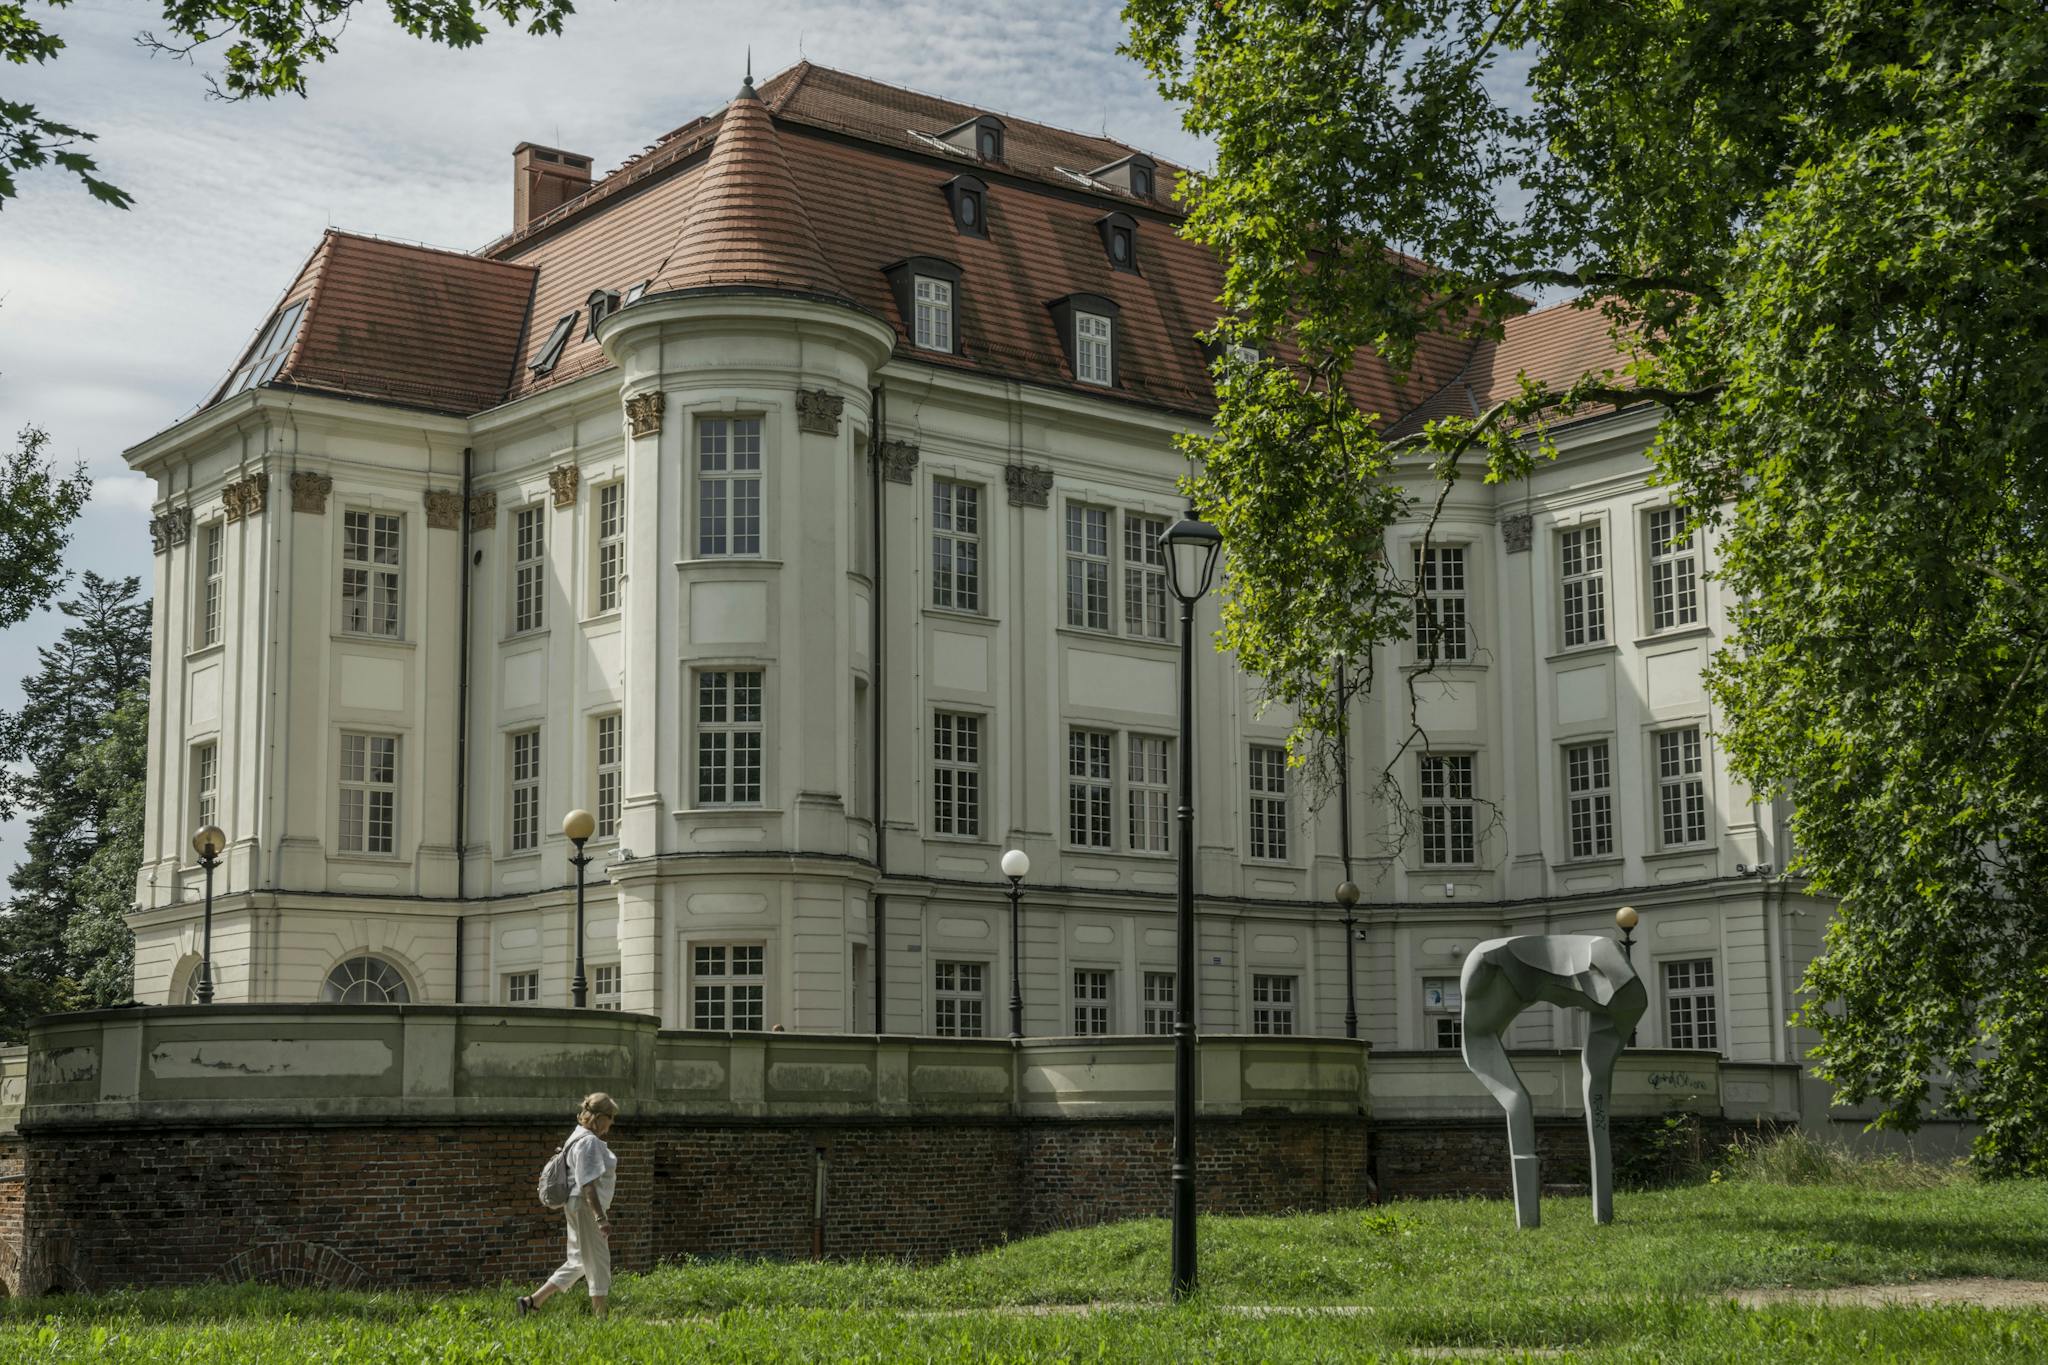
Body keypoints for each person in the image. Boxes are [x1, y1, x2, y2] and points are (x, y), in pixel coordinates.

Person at [518, 1092, 620, 1318]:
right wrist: (600, 1218)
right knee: (598, 1261)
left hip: (576, 1205)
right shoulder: (589, 1142)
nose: (612, 1122)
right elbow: (588, 1185)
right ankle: (601, 1318)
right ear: (600, 1117)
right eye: (611, 1117)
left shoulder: (577, 1135)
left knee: (579, 1261)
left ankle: (532, 1301)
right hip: (585, 1207)